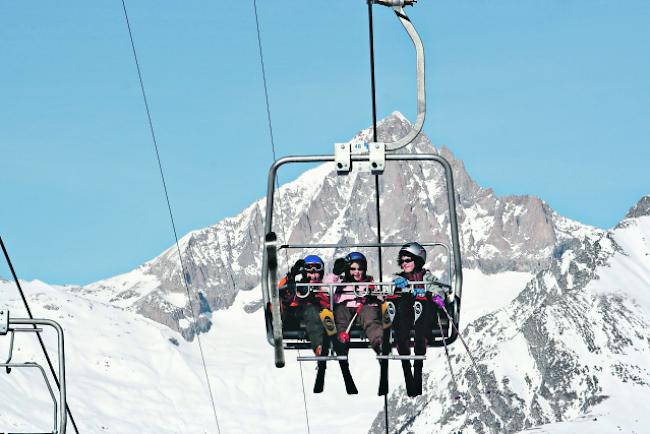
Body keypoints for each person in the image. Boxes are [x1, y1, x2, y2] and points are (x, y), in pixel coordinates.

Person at [391, 242, 447, 397]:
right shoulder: (398, 279)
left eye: (408, 260)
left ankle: (417, 371)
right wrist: (396, 287)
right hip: (405, 316)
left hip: (423, 317)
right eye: (402, 261)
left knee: (422, 303)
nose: (404, 263)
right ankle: (408, 376)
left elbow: (438, 290)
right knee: (401, 304)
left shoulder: (427, 277)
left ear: (417, 259)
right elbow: (387, 292)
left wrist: (436, 296)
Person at [331, 252, 384, 355]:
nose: (357, 272)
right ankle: (341, 341)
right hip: (345, 306)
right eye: (353, 269)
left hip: (363, 306)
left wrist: (373, 297)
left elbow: (380, 296)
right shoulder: (341, 282)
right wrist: (335, 273)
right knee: (341, 317)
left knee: (370, 318)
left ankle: (378, 342)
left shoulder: (368, 283)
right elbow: (327, 285)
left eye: (360, 269)